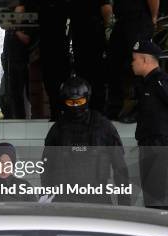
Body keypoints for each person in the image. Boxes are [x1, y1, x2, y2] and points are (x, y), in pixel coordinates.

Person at [41, 75, 130, 205]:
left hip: (98, 198)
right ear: (64, 101)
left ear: (87, 99)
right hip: (64, 200)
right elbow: (45, 168)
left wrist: (124, 203)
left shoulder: (103, 127)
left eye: (80, 102)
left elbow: (120, 169)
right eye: (71, 103)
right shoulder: (58, 130)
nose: (76, 106)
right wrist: (46, 198)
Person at [108, 0, 160, 122]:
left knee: (138, 65)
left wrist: (153, 18)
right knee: (114, 62)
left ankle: (140, 108)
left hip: (138, 22)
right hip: (122, 23)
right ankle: (114, 107)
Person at [68, 0, 112, 113]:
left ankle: (99, 111)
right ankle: (86, 109)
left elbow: (106, 8)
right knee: (82, 75)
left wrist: (108, 32)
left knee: (96, 76)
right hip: (80, 38)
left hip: (94, 36)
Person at [131, 40, 168, 209]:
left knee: (162, 202)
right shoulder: (146, 84)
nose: (132, 63)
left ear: (145, 60)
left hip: (162, 149)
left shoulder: (161, 82)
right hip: (149, 147)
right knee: (152, 201)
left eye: (134, 59)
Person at [35, 0, 71, 121]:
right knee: (49, 82)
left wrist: (69, 39)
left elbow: (74, 21)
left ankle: (66, 112)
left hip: (60, 45)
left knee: (63, 80)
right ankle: (55, 113)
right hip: (45, 46)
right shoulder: (39, 0)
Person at [0, 0, 38, 119]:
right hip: (12, 59)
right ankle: (18, 119)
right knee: (14, 94)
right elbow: (3, 22)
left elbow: (27, 39)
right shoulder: (17, 9)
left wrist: (15, 26)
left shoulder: (34, 10)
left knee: (29, 94)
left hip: (27, 59)